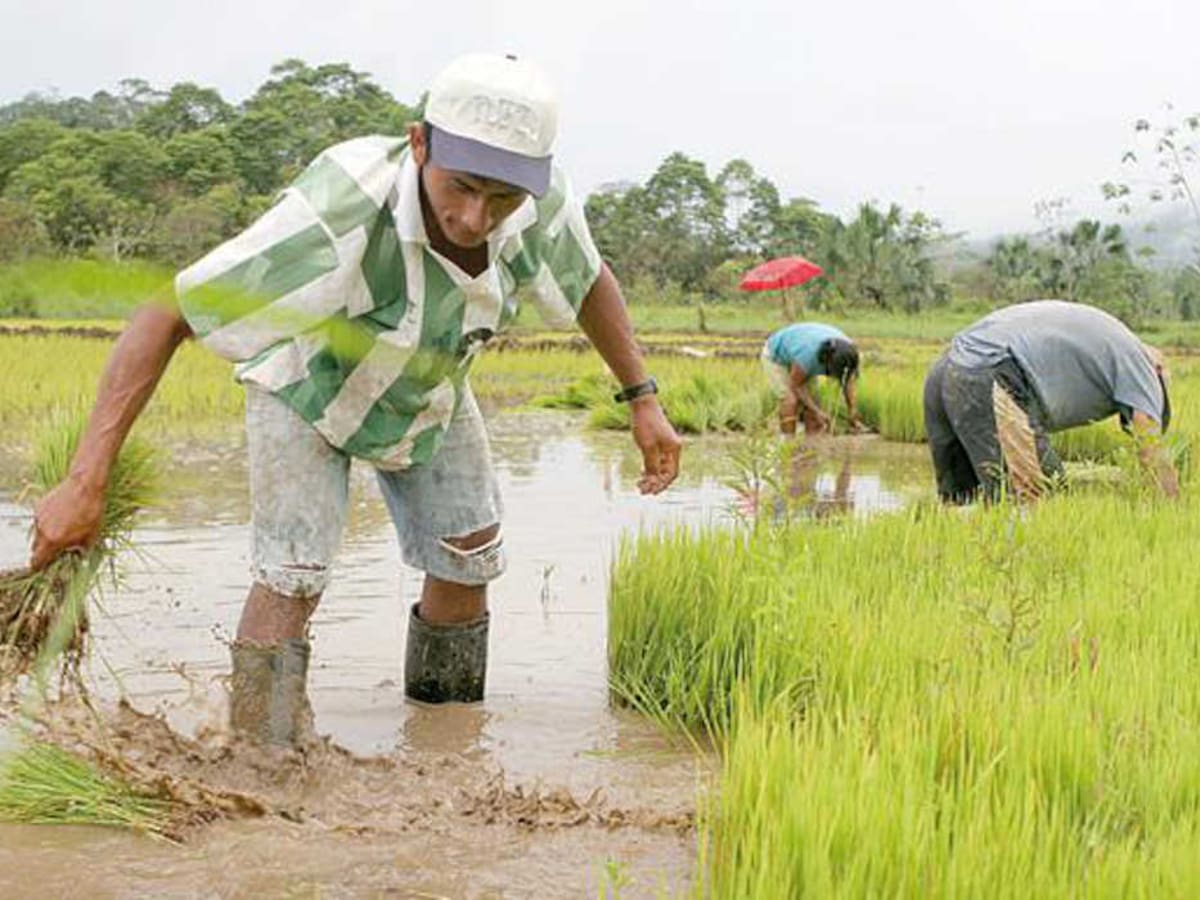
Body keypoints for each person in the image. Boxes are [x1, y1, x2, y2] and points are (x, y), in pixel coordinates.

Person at [27, 53, 682, 746]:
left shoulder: (541, 205)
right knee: (294, 574)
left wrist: (641, 398)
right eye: (459, 187)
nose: (473, 217)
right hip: (307, 388)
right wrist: (84, 479)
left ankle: (443, 751)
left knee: (467, 559)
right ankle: (262, 759)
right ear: (420, 143)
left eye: (502, 199)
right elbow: (168, 314)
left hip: (430, 385)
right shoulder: (336, 210)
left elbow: (588, 279)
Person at [923, 299, 1177, 503]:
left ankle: (946, 560)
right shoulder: (1143, 368)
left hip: (947, 366)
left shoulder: (1116, 341)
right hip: (990, 371)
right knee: (1044, 495)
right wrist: (1172, 510)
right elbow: (1150, 448)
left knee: (962, 502)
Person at [761, 322, 863, 435]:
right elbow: (796, 385)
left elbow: (848, 380)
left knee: (812, 403)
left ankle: (811, 445)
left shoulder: (849, 354)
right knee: (790, 400)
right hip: (776, 357)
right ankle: (787, 442)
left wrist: (852, 410)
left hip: (799, 353)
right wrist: (817, 412)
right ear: (827, 363)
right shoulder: (808, 356)